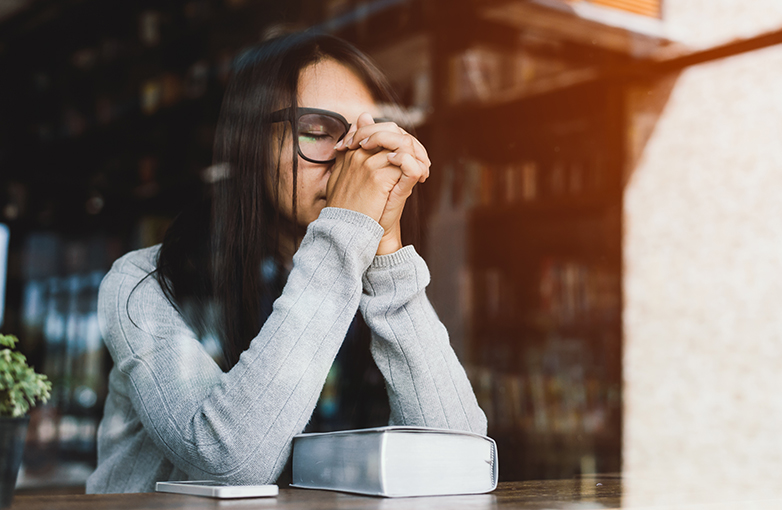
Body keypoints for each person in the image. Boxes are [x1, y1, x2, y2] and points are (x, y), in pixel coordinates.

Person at [86, 32, 487, 494]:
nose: (353, 164)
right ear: (250, 145)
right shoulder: (142, 285)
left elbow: (462, 462)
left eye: (369, 141)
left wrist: (387, 257)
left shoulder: (360, 276)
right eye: (317, 132)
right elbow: (229, 462)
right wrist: (347, 228)